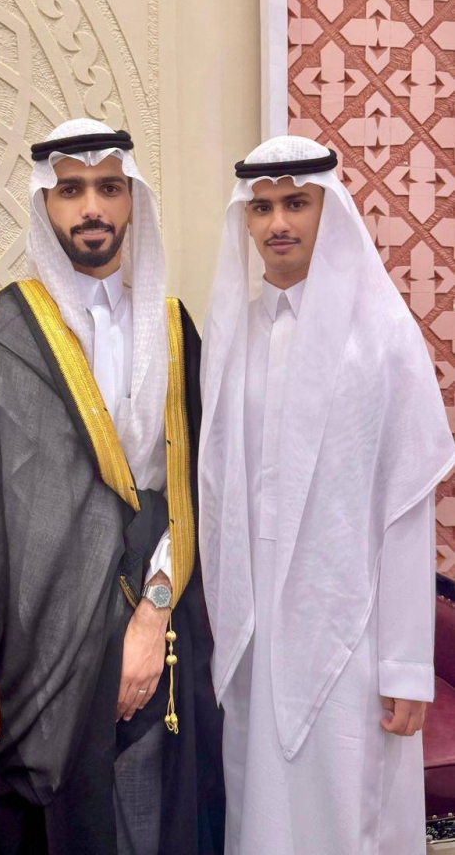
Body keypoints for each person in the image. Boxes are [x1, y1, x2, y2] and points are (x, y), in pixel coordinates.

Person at [0, 119, 224, 855]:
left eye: (110, 188)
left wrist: (151, 620)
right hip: (33, 646)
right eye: (71, 190)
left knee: (145, 827)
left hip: (155, 637)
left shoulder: (173, 329)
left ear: (133, 201)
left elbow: (198, 493)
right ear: (45, 204)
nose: (92, 208)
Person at [198, 135, 455, 855]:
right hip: (254, 625)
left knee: (346, 806)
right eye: (262, 207)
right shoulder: (234, 336)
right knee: (258, 801)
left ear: (329, 210)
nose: (278, 222)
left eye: (296, 203)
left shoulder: (380, 337)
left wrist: (406, 665)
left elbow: (405, 510)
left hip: (353, 629)